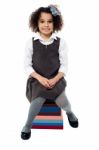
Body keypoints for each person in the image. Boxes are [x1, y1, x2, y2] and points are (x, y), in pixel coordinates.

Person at [21, 5, 79, 140]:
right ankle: (27, 125)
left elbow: (64, 66)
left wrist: (55, 78)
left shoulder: (61, 43)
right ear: (36, 23)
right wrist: (40, 78)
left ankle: (70, 113)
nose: (46, 25)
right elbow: (27, 66)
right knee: (37, 100)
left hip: (55, 79)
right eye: (42, 21)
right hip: (37, 80)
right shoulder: (31, 42)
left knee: (63, 101)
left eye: (49, 21)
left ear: (55, 23)